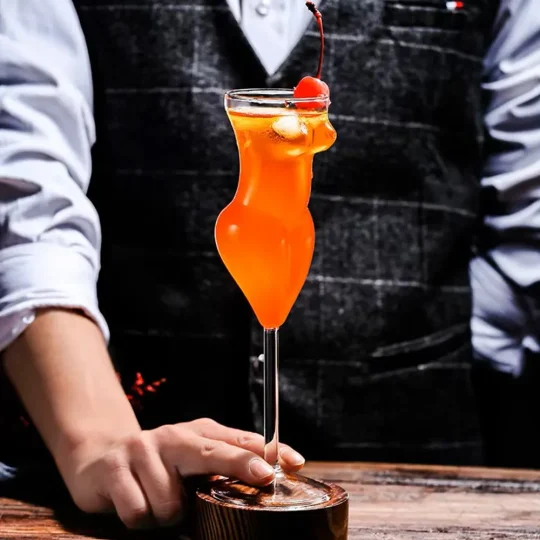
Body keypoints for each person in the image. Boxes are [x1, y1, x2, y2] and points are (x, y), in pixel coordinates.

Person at [0, 0, 539, 529]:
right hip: (150, 489)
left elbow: (530, 211)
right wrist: (97, 438)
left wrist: (439, 354)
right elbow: (27, 199)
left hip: (429, 482)